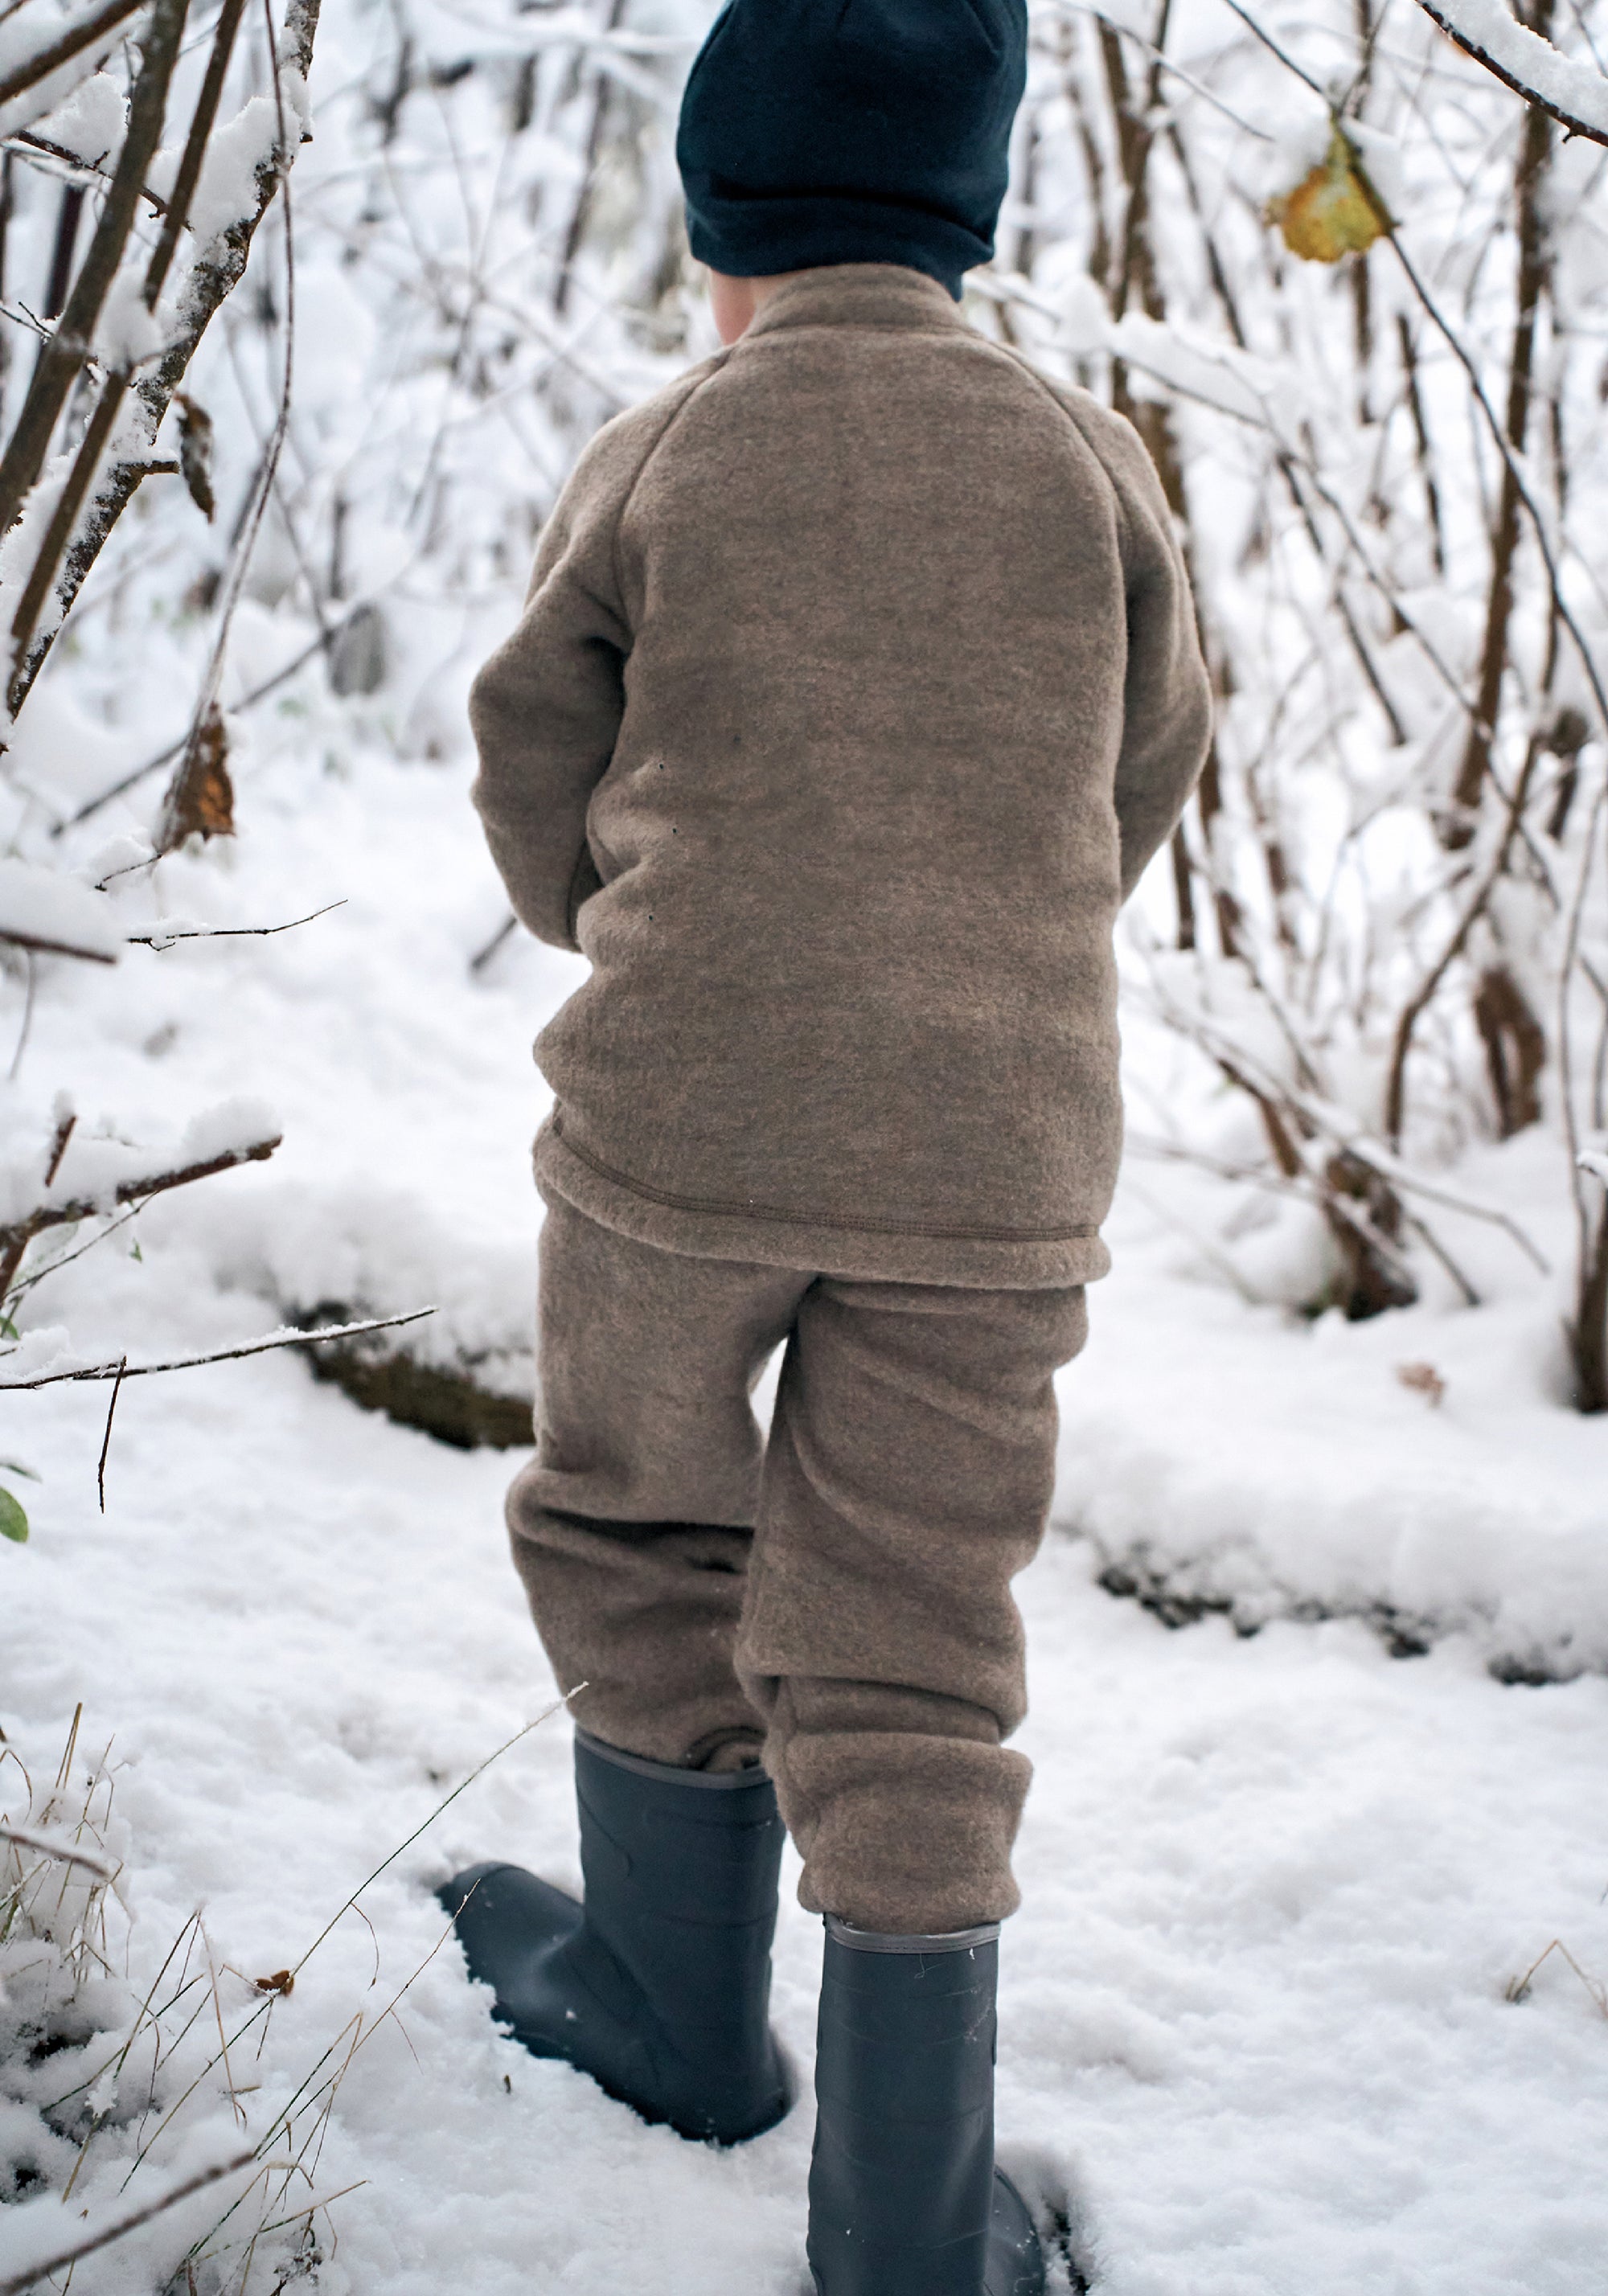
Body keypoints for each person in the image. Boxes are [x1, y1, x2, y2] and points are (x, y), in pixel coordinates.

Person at [440, 1, 1211, 2288]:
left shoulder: (673, 443)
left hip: (675, 1125)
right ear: (966, 219)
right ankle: (905, 2224)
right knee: (909, 1636)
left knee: (639, 1519)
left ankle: (679, 2012)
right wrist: (981, 955)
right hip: (985, 1167)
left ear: (721, 228)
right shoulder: (1087, 468)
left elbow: (523, 741)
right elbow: (1143, 771)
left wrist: (632, 926)